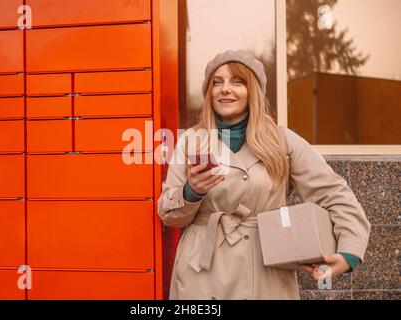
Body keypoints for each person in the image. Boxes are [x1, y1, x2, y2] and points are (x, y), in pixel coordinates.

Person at [157, 49, 371, 300]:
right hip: (202, 272)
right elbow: (169, 216)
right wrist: (191, 192)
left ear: (253, 92)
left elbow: (335, 194)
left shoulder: (282, 141)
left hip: (264, 271)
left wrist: (349, 253)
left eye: (237, 81)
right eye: (217, 82)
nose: (225, 89)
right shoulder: (191, 141)